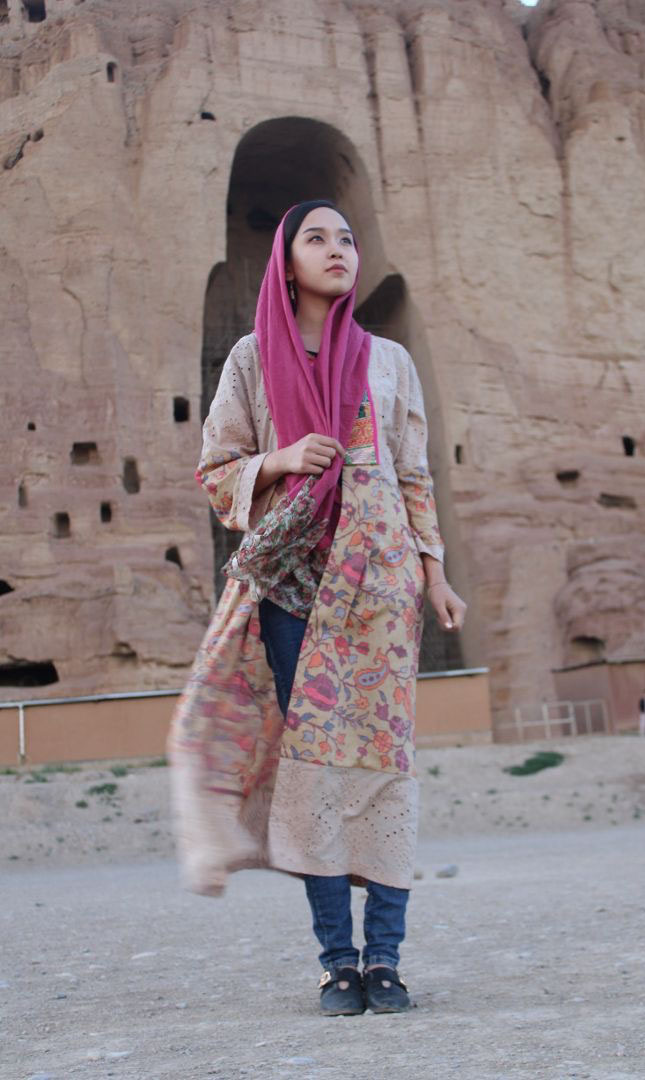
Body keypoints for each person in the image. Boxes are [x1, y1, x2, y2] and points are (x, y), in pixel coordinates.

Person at [168, 199, 467, 1017]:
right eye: (316, 238)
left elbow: (413, 473)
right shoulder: (251, 360)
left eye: (346, 238)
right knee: (317, 780)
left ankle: (388, 961)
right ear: (285, 261)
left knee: (384, 771)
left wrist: (434, 572)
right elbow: (216, 469)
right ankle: (339, 964)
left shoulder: (387, 360)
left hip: (380, 592)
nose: (336, 250)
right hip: (294, 591)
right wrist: (283, 457)